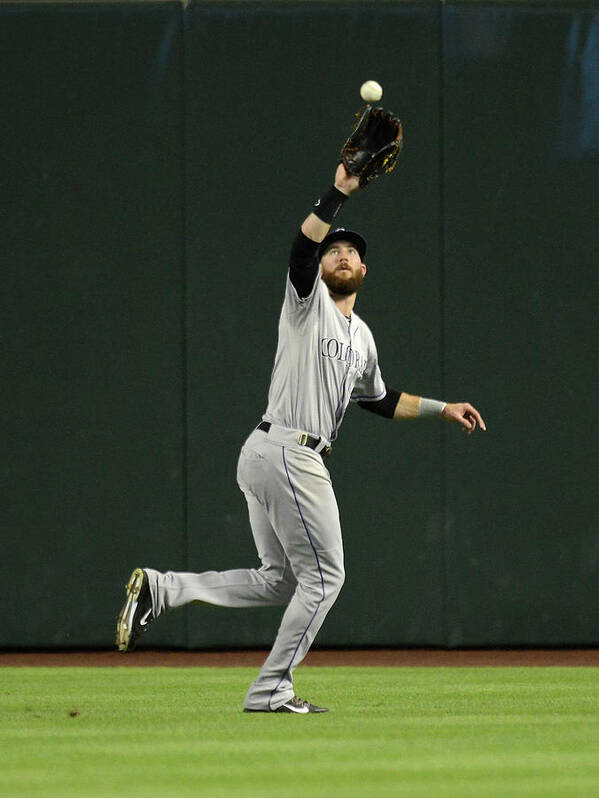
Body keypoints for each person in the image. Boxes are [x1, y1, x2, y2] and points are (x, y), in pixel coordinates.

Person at [116, 161, 486, 714]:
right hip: (289, 449)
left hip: (270, 455)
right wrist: (338, 194)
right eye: (334, 249)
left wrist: (442, 408)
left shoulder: (362, 337)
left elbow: (379, 400)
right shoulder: (306, 302)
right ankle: (272, 690)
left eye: (351, 251)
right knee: (327, 576)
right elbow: (298, 252)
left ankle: (162, 590)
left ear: (364, 269)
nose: (341, 254)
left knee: (281, 581)